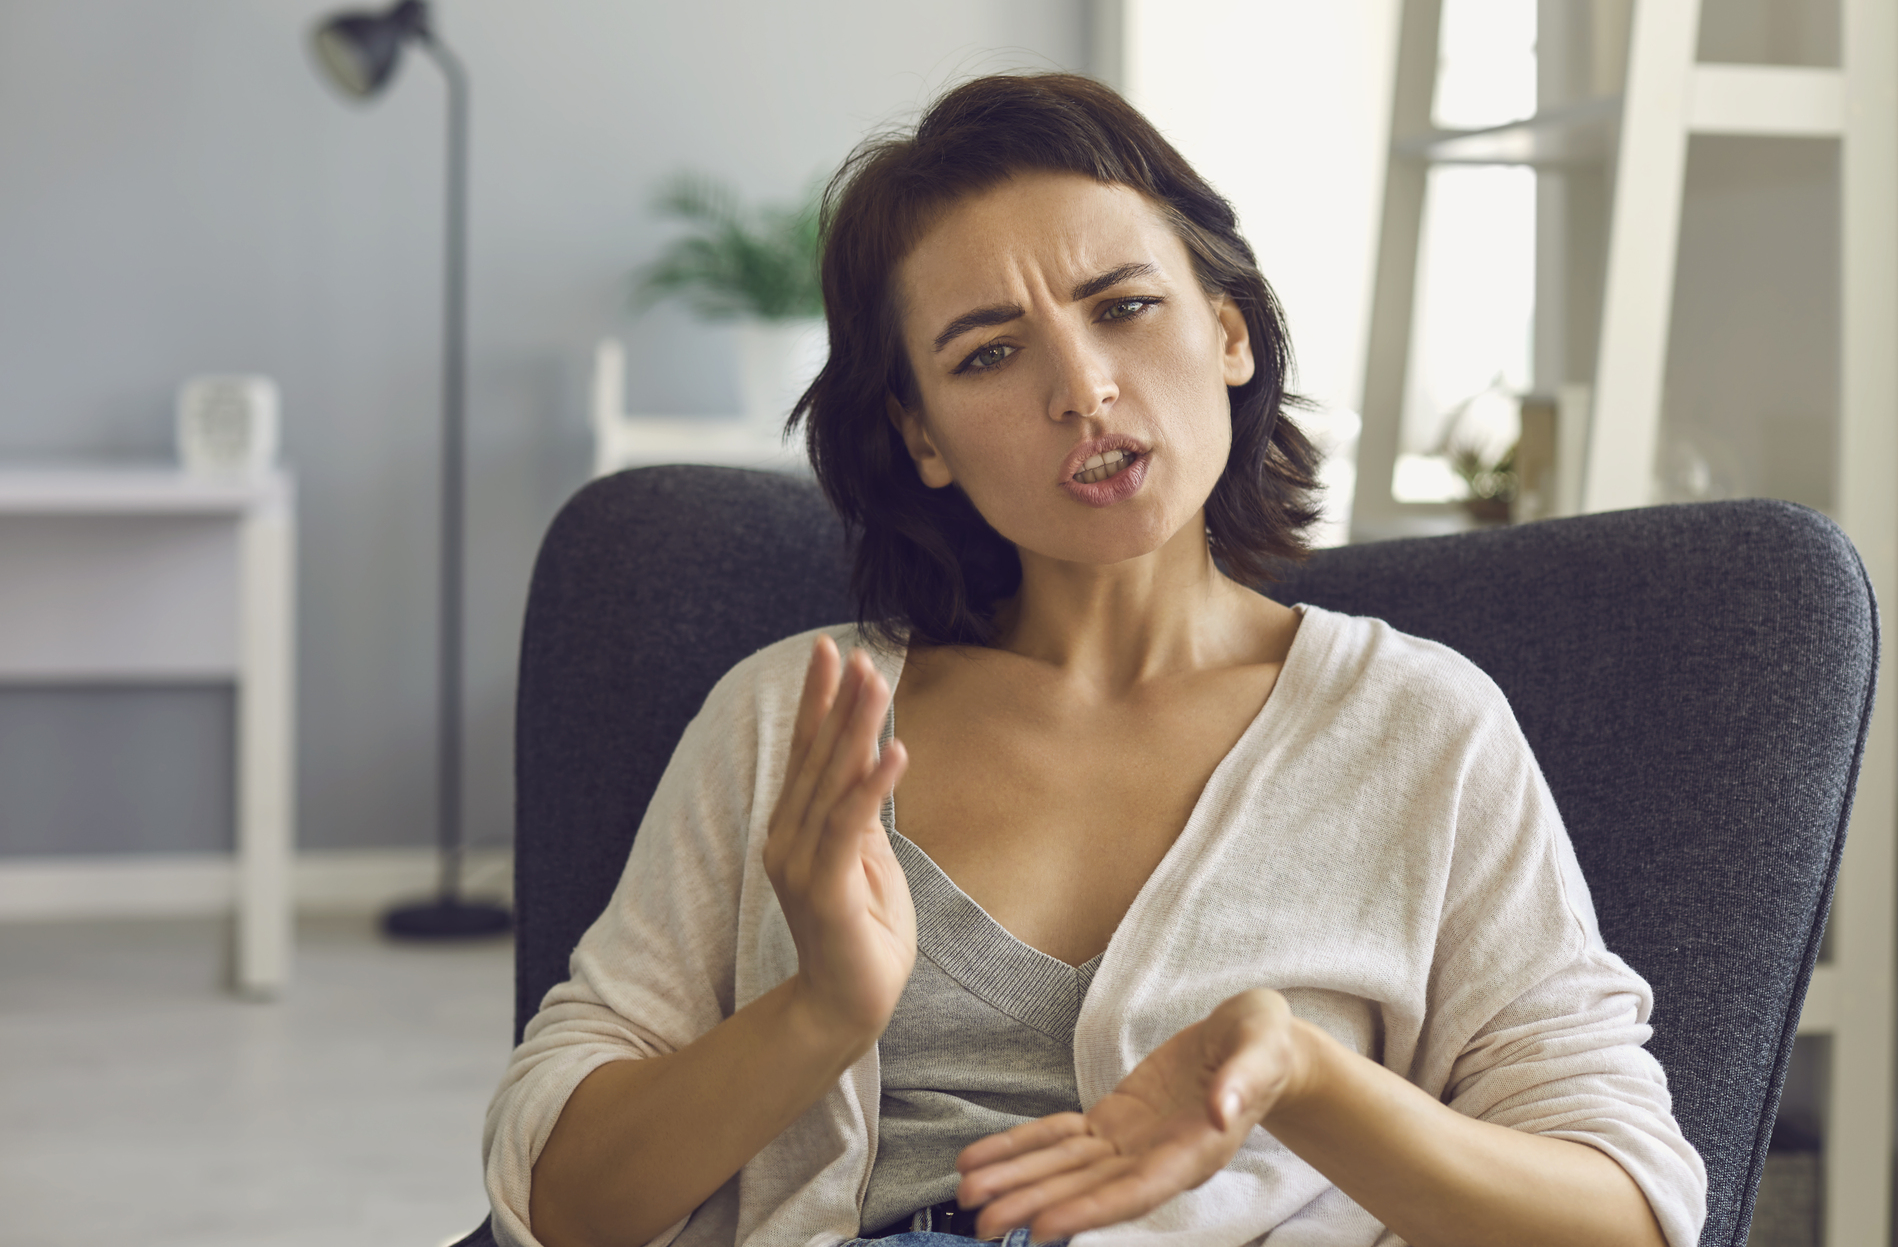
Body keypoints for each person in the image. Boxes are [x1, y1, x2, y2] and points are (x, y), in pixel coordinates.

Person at [483, 73, 1706, 1247]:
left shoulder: (1420, 729)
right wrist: (818, 1012)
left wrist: (1300, 1079)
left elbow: (1625, 1215)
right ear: (920, 436)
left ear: (1226, 331)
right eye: (987, 354)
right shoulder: (789, 724)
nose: (1082, 389)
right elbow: (561, 1207)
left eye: (1122, 308)